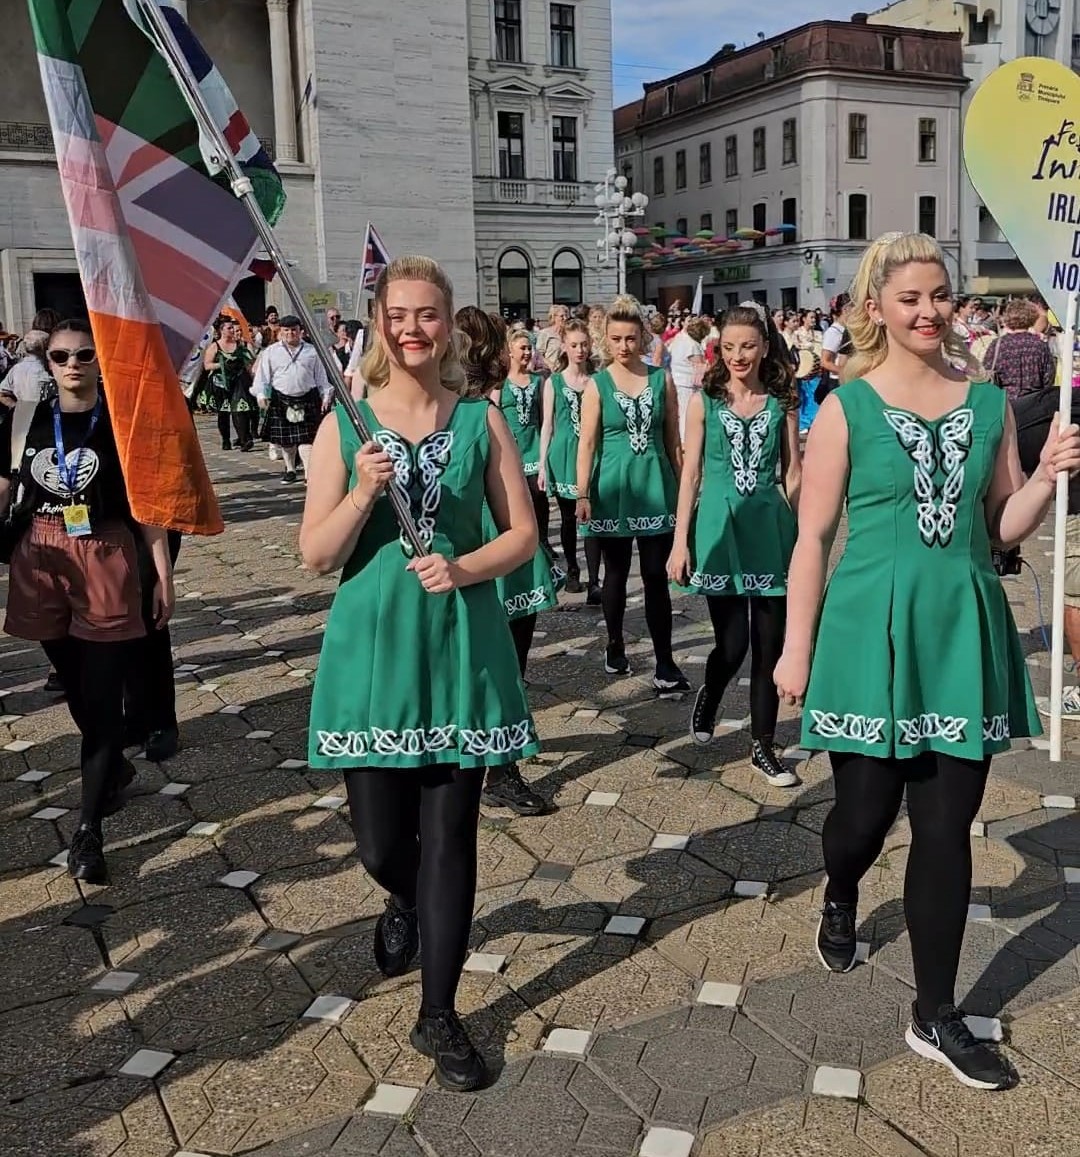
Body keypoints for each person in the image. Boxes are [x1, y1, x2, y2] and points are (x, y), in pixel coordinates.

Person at [774, 231, 1080, 1091]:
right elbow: (813, 538)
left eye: (939, 294)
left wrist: (1045, 476)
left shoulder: (987, 403)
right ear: (875, 306)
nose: (928, 310)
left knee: (946, 829)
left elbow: (998, 524)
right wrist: (795, 647)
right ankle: (841, 888)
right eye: (909, 297)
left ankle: (935, 1013)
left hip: (960, 629)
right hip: (868, 630)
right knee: (863, 820)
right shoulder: (846, 406)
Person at [301, 256, 539, 1092]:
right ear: (378, 322)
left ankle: (439, 1010)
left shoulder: (481, 419)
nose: (412, 328)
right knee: (377, 842)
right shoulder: (345, 424)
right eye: (398, 314)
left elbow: (523, 535)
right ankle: (403, 898)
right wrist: (362, 493)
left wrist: (464, 567)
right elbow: (314, 553)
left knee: (451, 837)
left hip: (459, 642)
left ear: (448, 325)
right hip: (373, 650)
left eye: (427, 314)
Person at [0, 320, 175, 884]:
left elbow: (147, 507)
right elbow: (4, 485)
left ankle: (88, 829)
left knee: (99, 698)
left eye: (84, 355)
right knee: (74, 686)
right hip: (40, 554)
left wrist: (162, 574)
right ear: (46, 362)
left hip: (105, 550)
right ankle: (113, 767)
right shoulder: (23, 418)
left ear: (100, 360)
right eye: (61, 356)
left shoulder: (123, 421)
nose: (72, 364)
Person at [668, 303, 803, 787]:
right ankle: (711, 691)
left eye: (747, 346)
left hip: (770, 527)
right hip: (719, 527)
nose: (738, 355)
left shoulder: (782, 401)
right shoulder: (704, 401)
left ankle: (763, 746)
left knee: (770, 646)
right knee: (732, 643)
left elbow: (793, 471)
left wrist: (805, 536)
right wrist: (680, 541)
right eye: (729, 347)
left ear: (764, 346)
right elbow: (691, 474)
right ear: (718, 350)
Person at [456, 305, 555, 818]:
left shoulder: (485, 407)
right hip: (480, 539)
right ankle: (496, 767)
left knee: (508, 661)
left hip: (504, 536)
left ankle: (500, 765)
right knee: (497, 663)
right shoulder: (461, 411)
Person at [575, 296, 689, 693]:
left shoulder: (662, 380)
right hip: (613, 487)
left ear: (643, 338)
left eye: (630, 338)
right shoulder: (597, 385)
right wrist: (582, 493)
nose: (624, 346)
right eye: (616, 338)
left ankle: (665, 661)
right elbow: (587, 443)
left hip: (656, 485)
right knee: (617, 572)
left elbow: (673, 441)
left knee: (656, 576)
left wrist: (685, 492)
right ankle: (614, 642)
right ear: (606, 340)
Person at [539, 320, 602, 603]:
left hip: (591, 452)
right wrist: (542, 463)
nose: (580, 350)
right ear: (565, 346)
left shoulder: (597, 380)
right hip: (564, 454)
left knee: (592, 516)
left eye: (584, 344)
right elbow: (548, 425)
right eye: (574, 345)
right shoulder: (554, 382)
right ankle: (573, 569)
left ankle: (595, 579)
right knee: (567, 518)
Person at [252, 314, 333, 483]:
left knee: (306, 440)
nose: (290, 333)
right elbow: (262, 375)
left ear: (300, 331)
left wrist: (325, 394)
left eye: (294, 330)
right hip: (281, 399)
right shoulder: (271, 352)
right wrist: (260, 394)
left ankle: (309, 474)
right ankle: (290, 470)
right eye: (286, 330)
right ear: (281, 332)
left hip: (308, 397)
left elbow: (321, 376)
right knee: (287, 441)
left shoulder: (312, 351)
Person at [501, 325, 550, 549]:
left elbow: (544, 416)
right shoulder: (501, 384)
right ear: (510, 351)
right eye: (522, 348)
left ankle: (543, 542)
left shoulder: (538, 381)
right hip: (512, 450)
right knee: (518, 499)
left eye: (530, 348)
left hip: (534, 446)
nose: (527, 352)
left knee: (539, 496)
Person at [981, 299, 1055, 401]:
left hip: (1004, 401)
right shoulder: (1040, 345)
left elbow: (986, 372)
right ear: (1032, 318)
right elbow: (1048, 376)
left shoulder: (997, 344)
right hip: (1034, 401)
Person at [199, 316, 255, 451]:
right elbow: (207, 365)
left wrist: (254, 378)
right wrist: (221, 364)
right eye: (229, 328)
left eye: (232, 328)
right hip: (221, 383)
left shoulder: (239, 346)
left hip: (238, 381)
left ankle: (244, 440)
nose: (232, 330)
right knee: (223, 412)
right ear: (221, 330)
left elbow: (248, 364)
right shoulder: (215, 346)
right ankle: (225, 440)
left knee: (240, 409)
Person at [668, 317, 709, 439]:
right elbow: (700, 367)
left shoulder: (679, 338)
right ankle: (686, 440)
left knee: (680, 413)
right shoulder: (693, 345)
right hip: (688, 384)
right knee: (687, 413)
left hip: (676, 380)